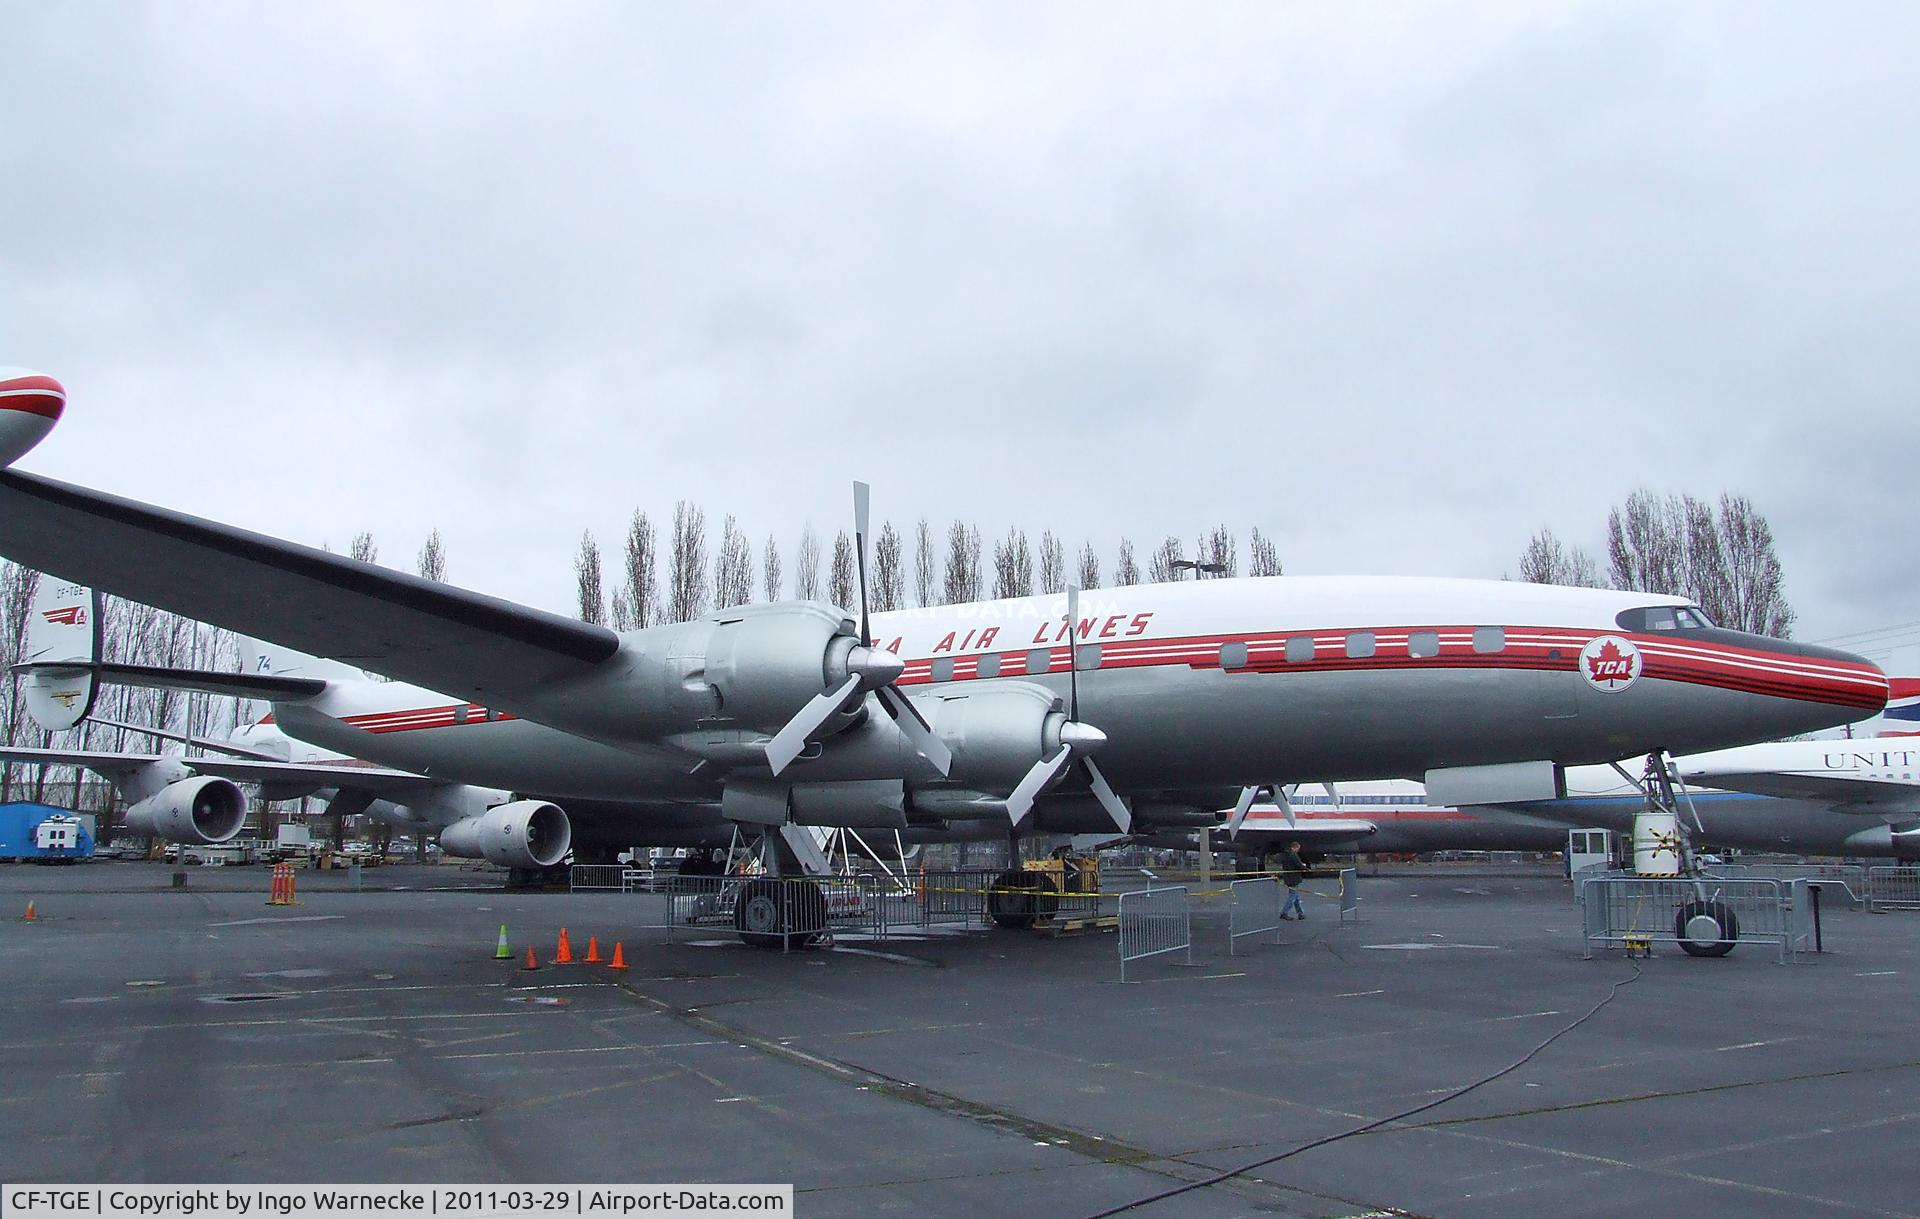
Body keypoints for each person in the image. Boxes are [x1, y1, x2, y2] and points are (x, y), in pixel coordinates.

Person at [1279, 841, 1307, 920]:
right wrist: (1304, 867)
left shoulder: (1286, 855)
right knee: (1292, 896)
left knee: (1296, 896)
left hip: (1288, 877)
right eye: (1298, 848)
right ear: (1295, 847)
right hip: (1293, 878)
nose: (1298, 850)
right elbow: (1298, 865)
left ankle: (1300, 913)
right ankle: (1284, 912)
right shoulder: (1293, 855)